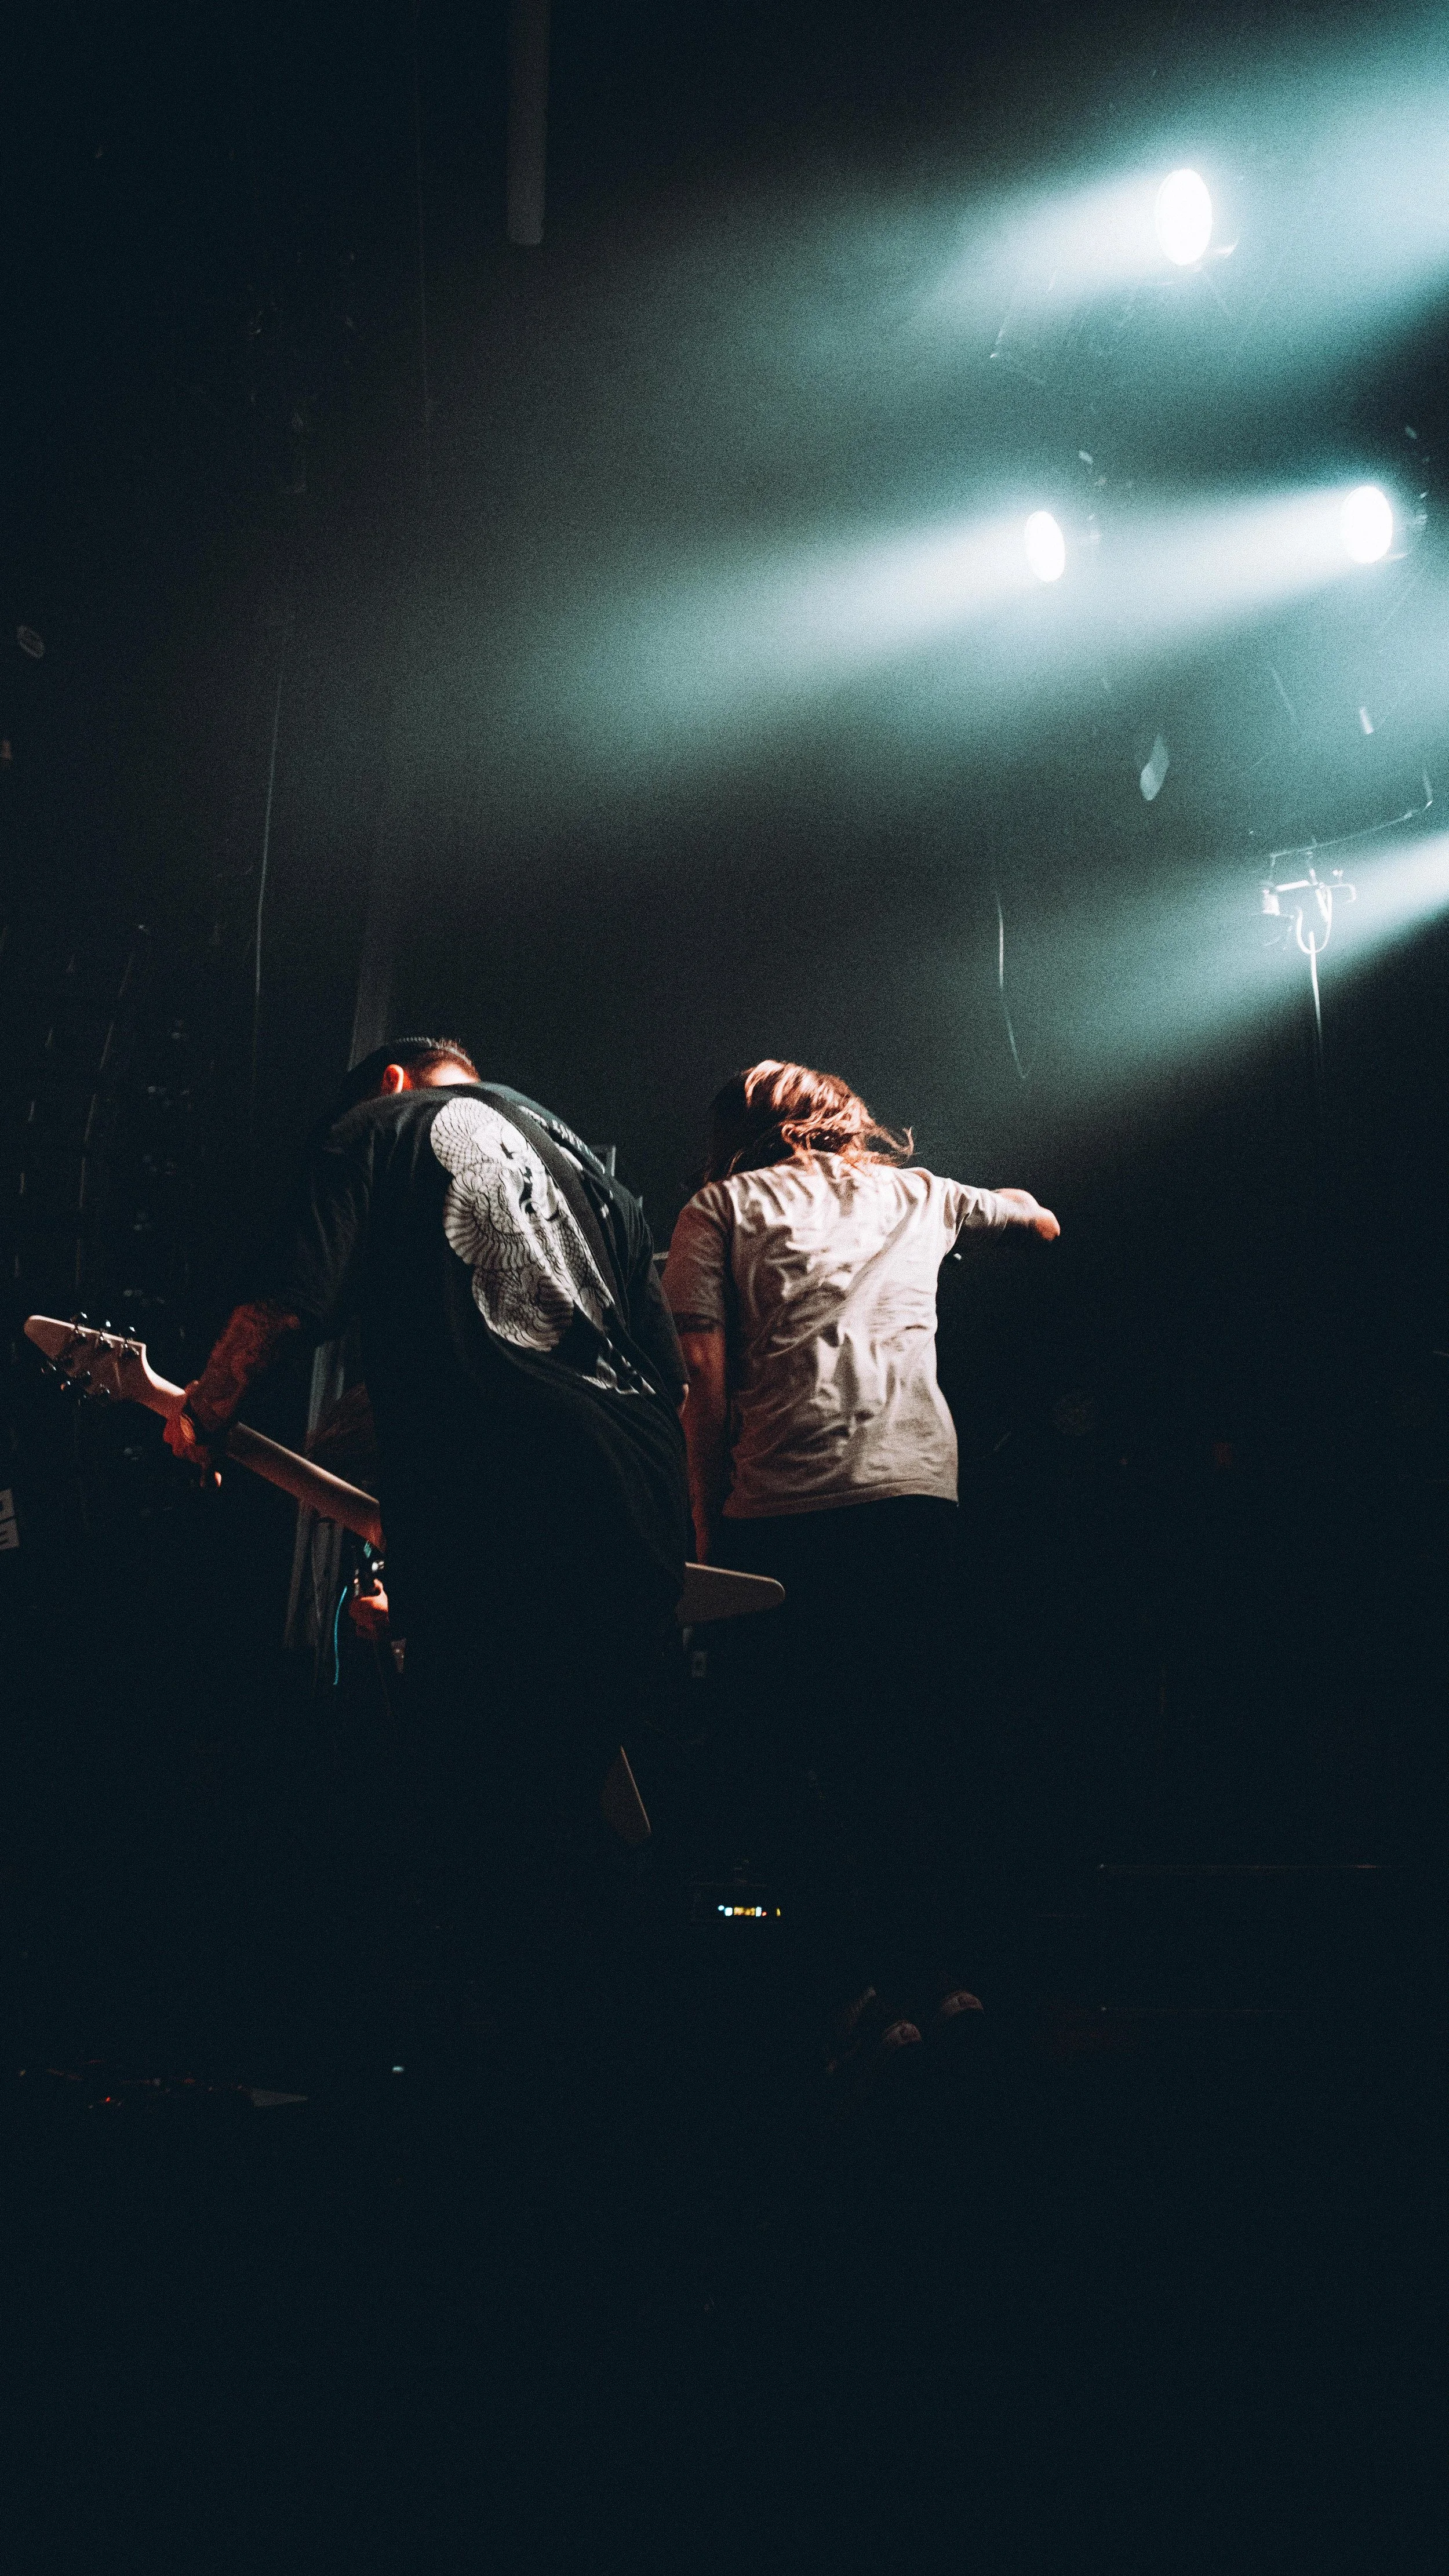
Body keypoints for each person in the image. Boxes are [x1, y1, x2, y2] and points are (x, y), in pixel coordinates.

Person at [166, 1036, 690, 2035]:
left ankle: (478, 2106)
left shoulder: (378, 1124)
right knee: (584, 1821)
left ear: (394, 1081)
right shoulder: (588, 1167)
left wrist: (207, 1407)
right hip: (639, 1506)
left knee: (472, 1829)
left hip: (506, 1500)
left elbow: (289, 1293)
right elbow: (666, 1377)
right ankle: (618, 2078)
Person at [662, 1057, 1059, 2090]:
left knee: (793, 1765)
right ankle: (940, 1982)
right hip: (915, 1501)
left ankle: (852, 2004)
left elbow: (700, 1382)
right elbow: (1039, 1219)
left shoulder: (717, 1208)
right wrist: (992, 1217)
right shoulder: (917, 1192)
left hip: (782, 1513)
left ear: (734, 1132)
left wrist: (704, 1532)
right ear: (848, 1121)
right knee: (911, 1750)